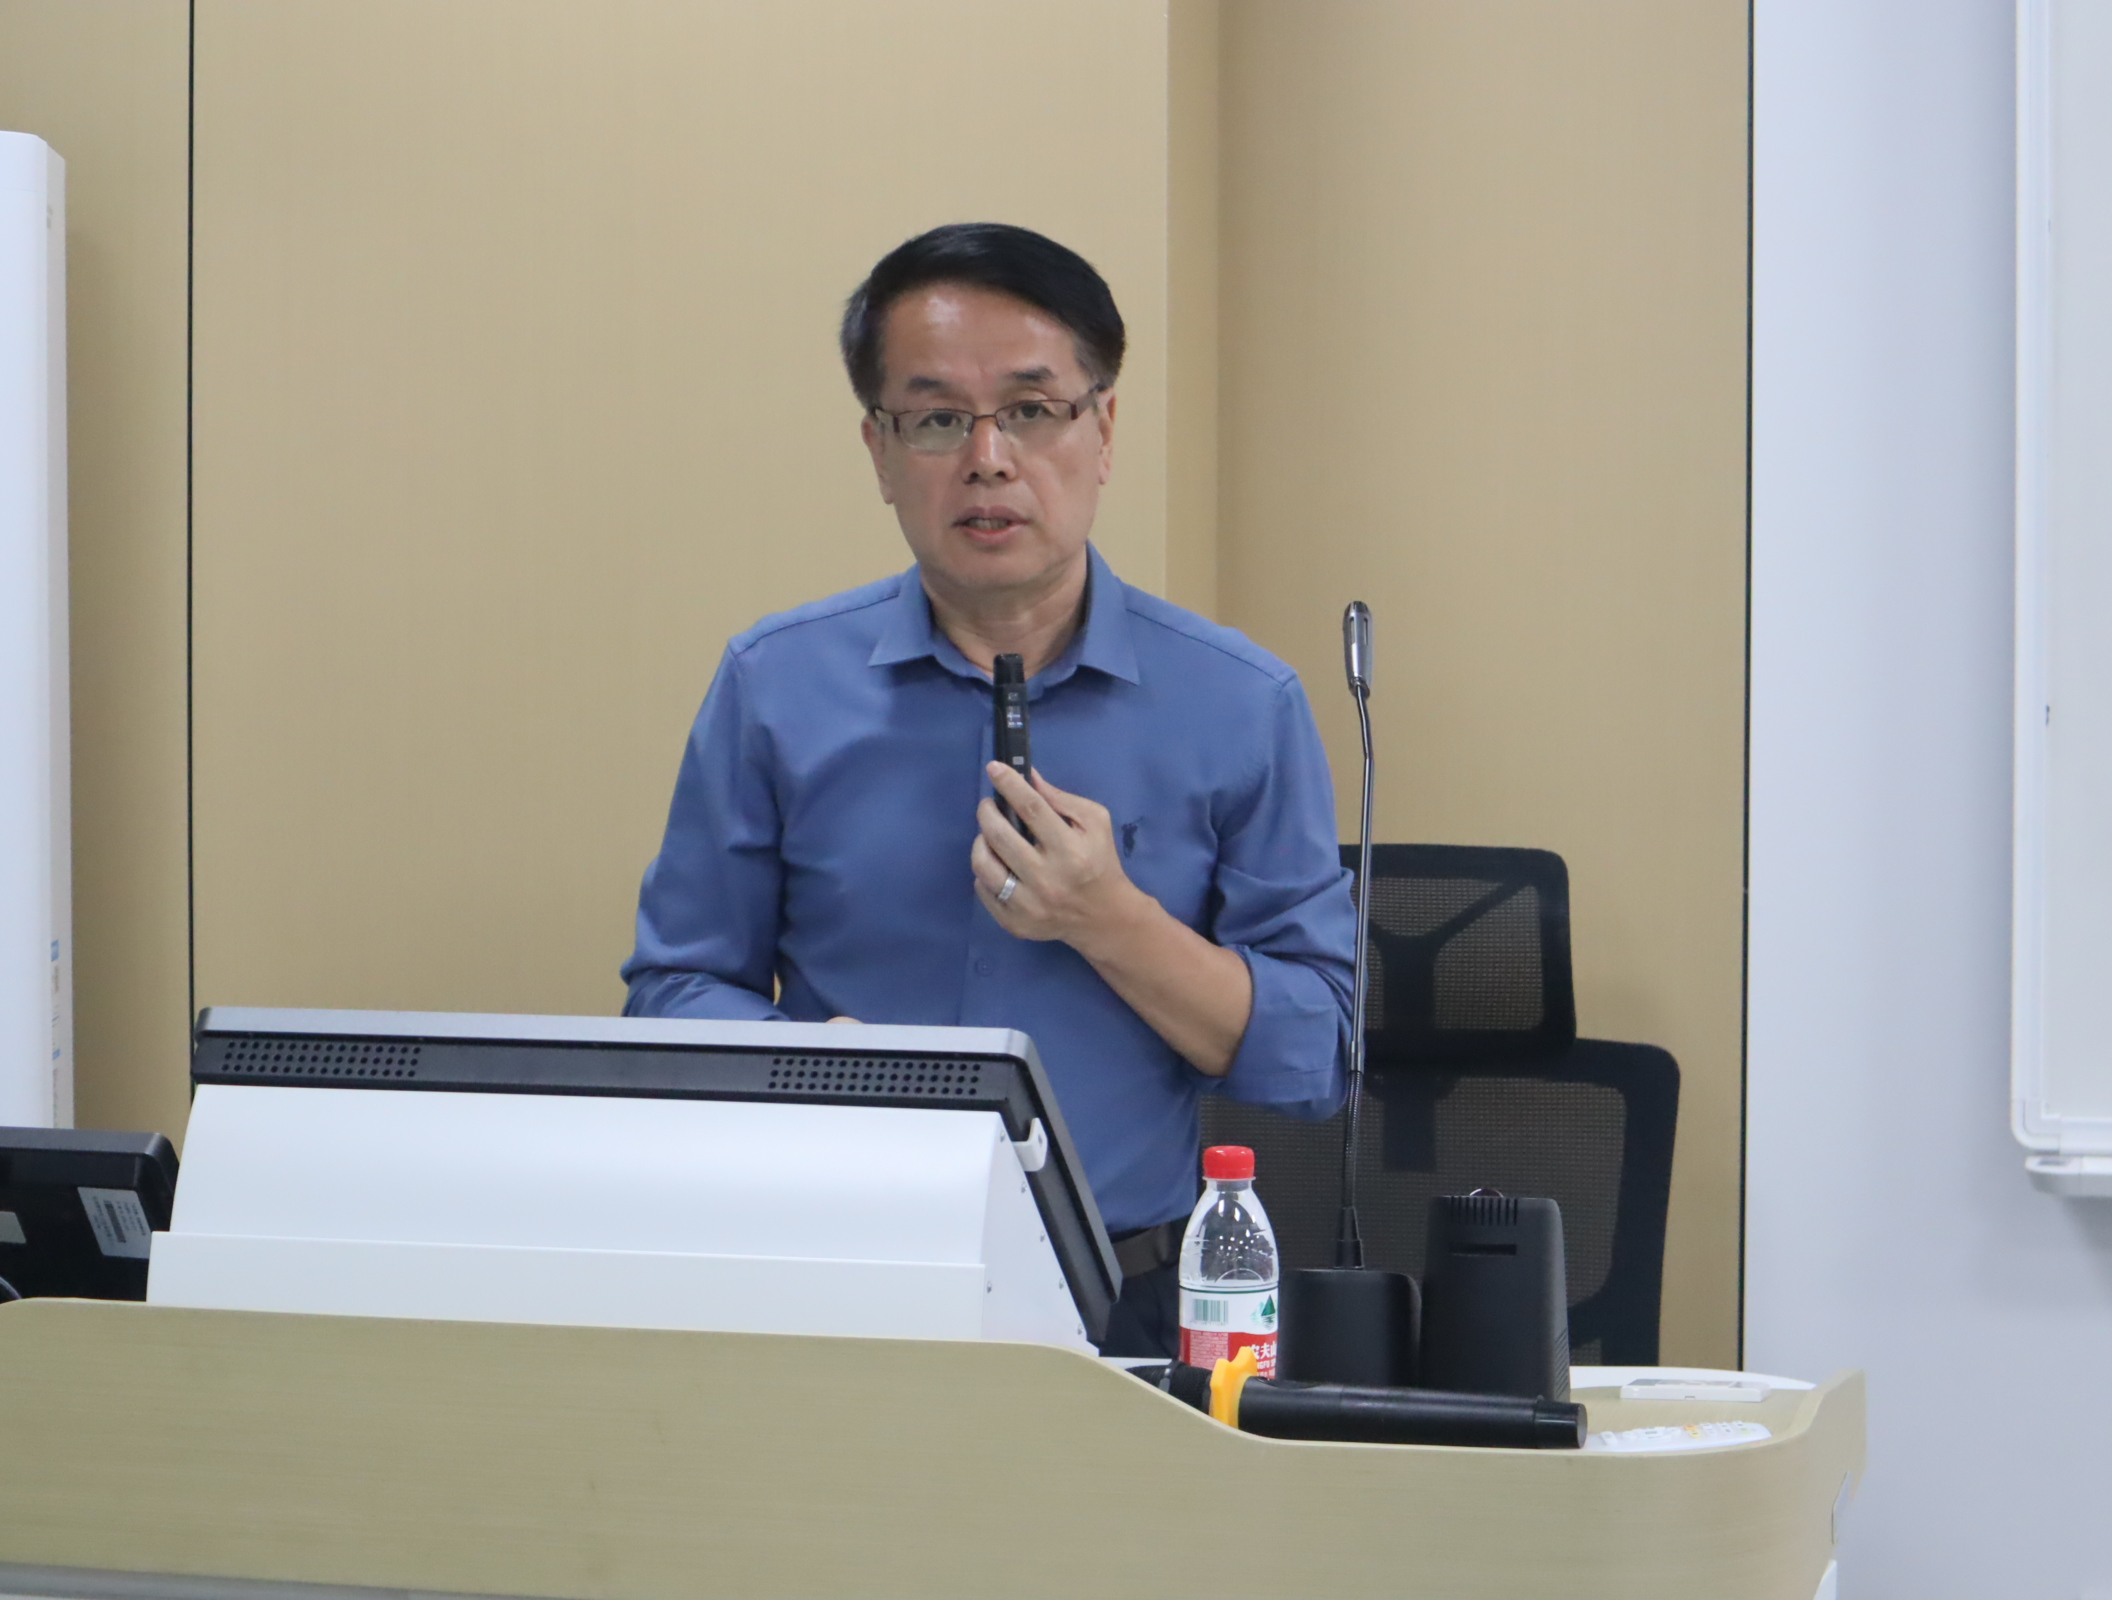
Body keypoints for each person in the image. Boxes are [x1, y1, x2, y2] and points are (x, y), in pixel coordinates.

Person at [623, 222, 1354, 1356]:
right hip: (834, 1281)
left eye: (1032, 408)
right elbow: (674, 992)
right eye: (935, 419)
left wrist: (1111, 920)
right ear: (879, 450)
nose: (989, 458)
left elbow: (1314, 1061)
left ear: (1103, 430)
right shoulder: (776, 686)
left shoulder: (1240, 702)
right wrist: (809, 1066)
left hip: (1125, 1303)